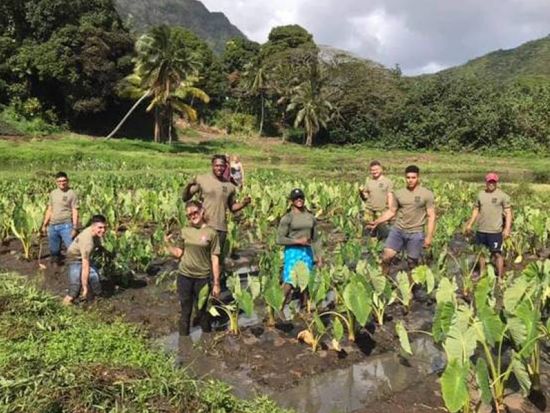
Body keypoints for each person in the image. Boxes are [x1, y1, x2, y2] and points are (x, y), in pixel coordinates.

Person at [182, 155, 251, 271]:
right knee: (201, 256)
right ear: (212, 166)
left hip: (221, 227)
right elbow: (185, 197)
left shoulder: (229, 186)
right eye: (217, 165)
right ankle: (200, 281)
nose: (219, 168)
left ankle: (215, 283)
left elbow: (232, 207)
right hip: (204, 225)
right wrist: (188, 185)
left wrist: (244, 204)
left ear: (226, 166)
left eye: (222, 166)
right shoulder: (202, 179)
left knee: (217, 258)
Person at [165, 201, 221, 336]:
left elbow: (215, 258)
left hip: (202, 278)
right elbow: (179, 253)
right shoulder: (185, 231)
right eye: (189, 215)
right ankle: (183, 342)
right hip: (184, 276)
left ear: (202, 211)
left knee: (201, 310)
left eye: (195, 212)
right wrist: (167, 243)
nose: (192, 216)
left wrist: (216, 283)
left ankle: (207, 338)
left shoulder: (211, 233)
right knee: (185, 310)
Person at [368, 165, 436, 277]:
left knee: (412, 263)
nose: (410, 180)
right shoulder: (399, 193)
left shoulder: (426, 194)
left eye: (413, 177)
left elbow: (431, 216)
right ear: (405, 178)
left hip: (416, 232)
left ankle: (410, 289)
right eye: (408, 177)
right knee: (386, 256)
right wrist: (377, 221)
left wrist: (429, 236)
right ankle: (382, 279)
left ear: (418, 177)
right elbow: (391, 211)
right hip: (398, 230)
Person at [277, 188, 321, 306]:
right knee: (290, 281)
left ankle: (304, 307)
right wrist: (297, 241)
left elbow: (315, 238)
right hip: (293, 252)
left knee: (306, 280)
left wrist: (319, 257)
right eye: (296, 198)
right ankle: (278, 307)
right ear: (291, 201)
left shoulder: (310, 217)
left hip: (307, 252)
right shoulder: (288, 218)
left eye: (301, 197)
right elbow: (280, 239)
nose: (299, 200)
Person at [465, 172, 512, 278]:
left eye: (493, 182)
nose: (491, 184)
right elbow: (476, 210)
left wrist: (507, 229)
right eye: (489, 181)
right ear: (486, 182)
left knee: (497, 254)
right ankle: (482, 273)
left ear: (496, 182)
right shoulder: (480, 195)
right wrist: (470, 224)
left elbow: (508, 213)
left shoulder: (502, 195)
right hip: (481, 230)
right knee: (481, 253)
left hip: (495, 231)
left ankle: (500, 277)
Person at [63, 215, 107, 305]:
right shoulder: (88, 242)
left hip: (81, 256)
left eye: (104, 227)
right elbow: (85, 267)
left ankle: (98, 300)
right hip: (74, 258)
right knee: (75, 287)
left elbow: (98, 244)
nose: (103, 230)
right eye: (100, 227)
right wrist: (85, 287)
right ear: (93, 227)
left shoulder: (94, 232)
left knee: (95, 277)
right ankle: (63, 306)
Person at [40, 172, 79, 264]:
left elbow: (75, 210)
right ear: (56, 182)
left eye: (64, 181)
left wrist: (75, 227)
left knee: (72, 248)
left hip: (66, 225)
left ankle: (75, 268)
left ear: (68, 181)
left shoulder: (72, 194)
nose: (62, 183)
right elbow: (50, 209)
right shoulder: (53, 193)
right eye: (59, 181)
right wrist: (44, 224)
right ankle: (55, 269)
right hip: (53, 225)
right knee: (54, 251)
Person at [359, 160, 394, 240]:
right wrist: (361, 193)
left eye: (376, 169)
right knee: (367, 229)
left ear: (381, 169)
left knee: (383, 230)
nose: (374, 172)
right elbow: (366, 196)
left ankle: (381, 247)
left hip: (382, 210)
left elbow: (390, 195)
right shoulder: (369, 182)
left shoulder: (387, 182)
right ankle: (368, 245)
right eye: (372, 170)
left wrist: (390, 210)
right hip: (369, 209)